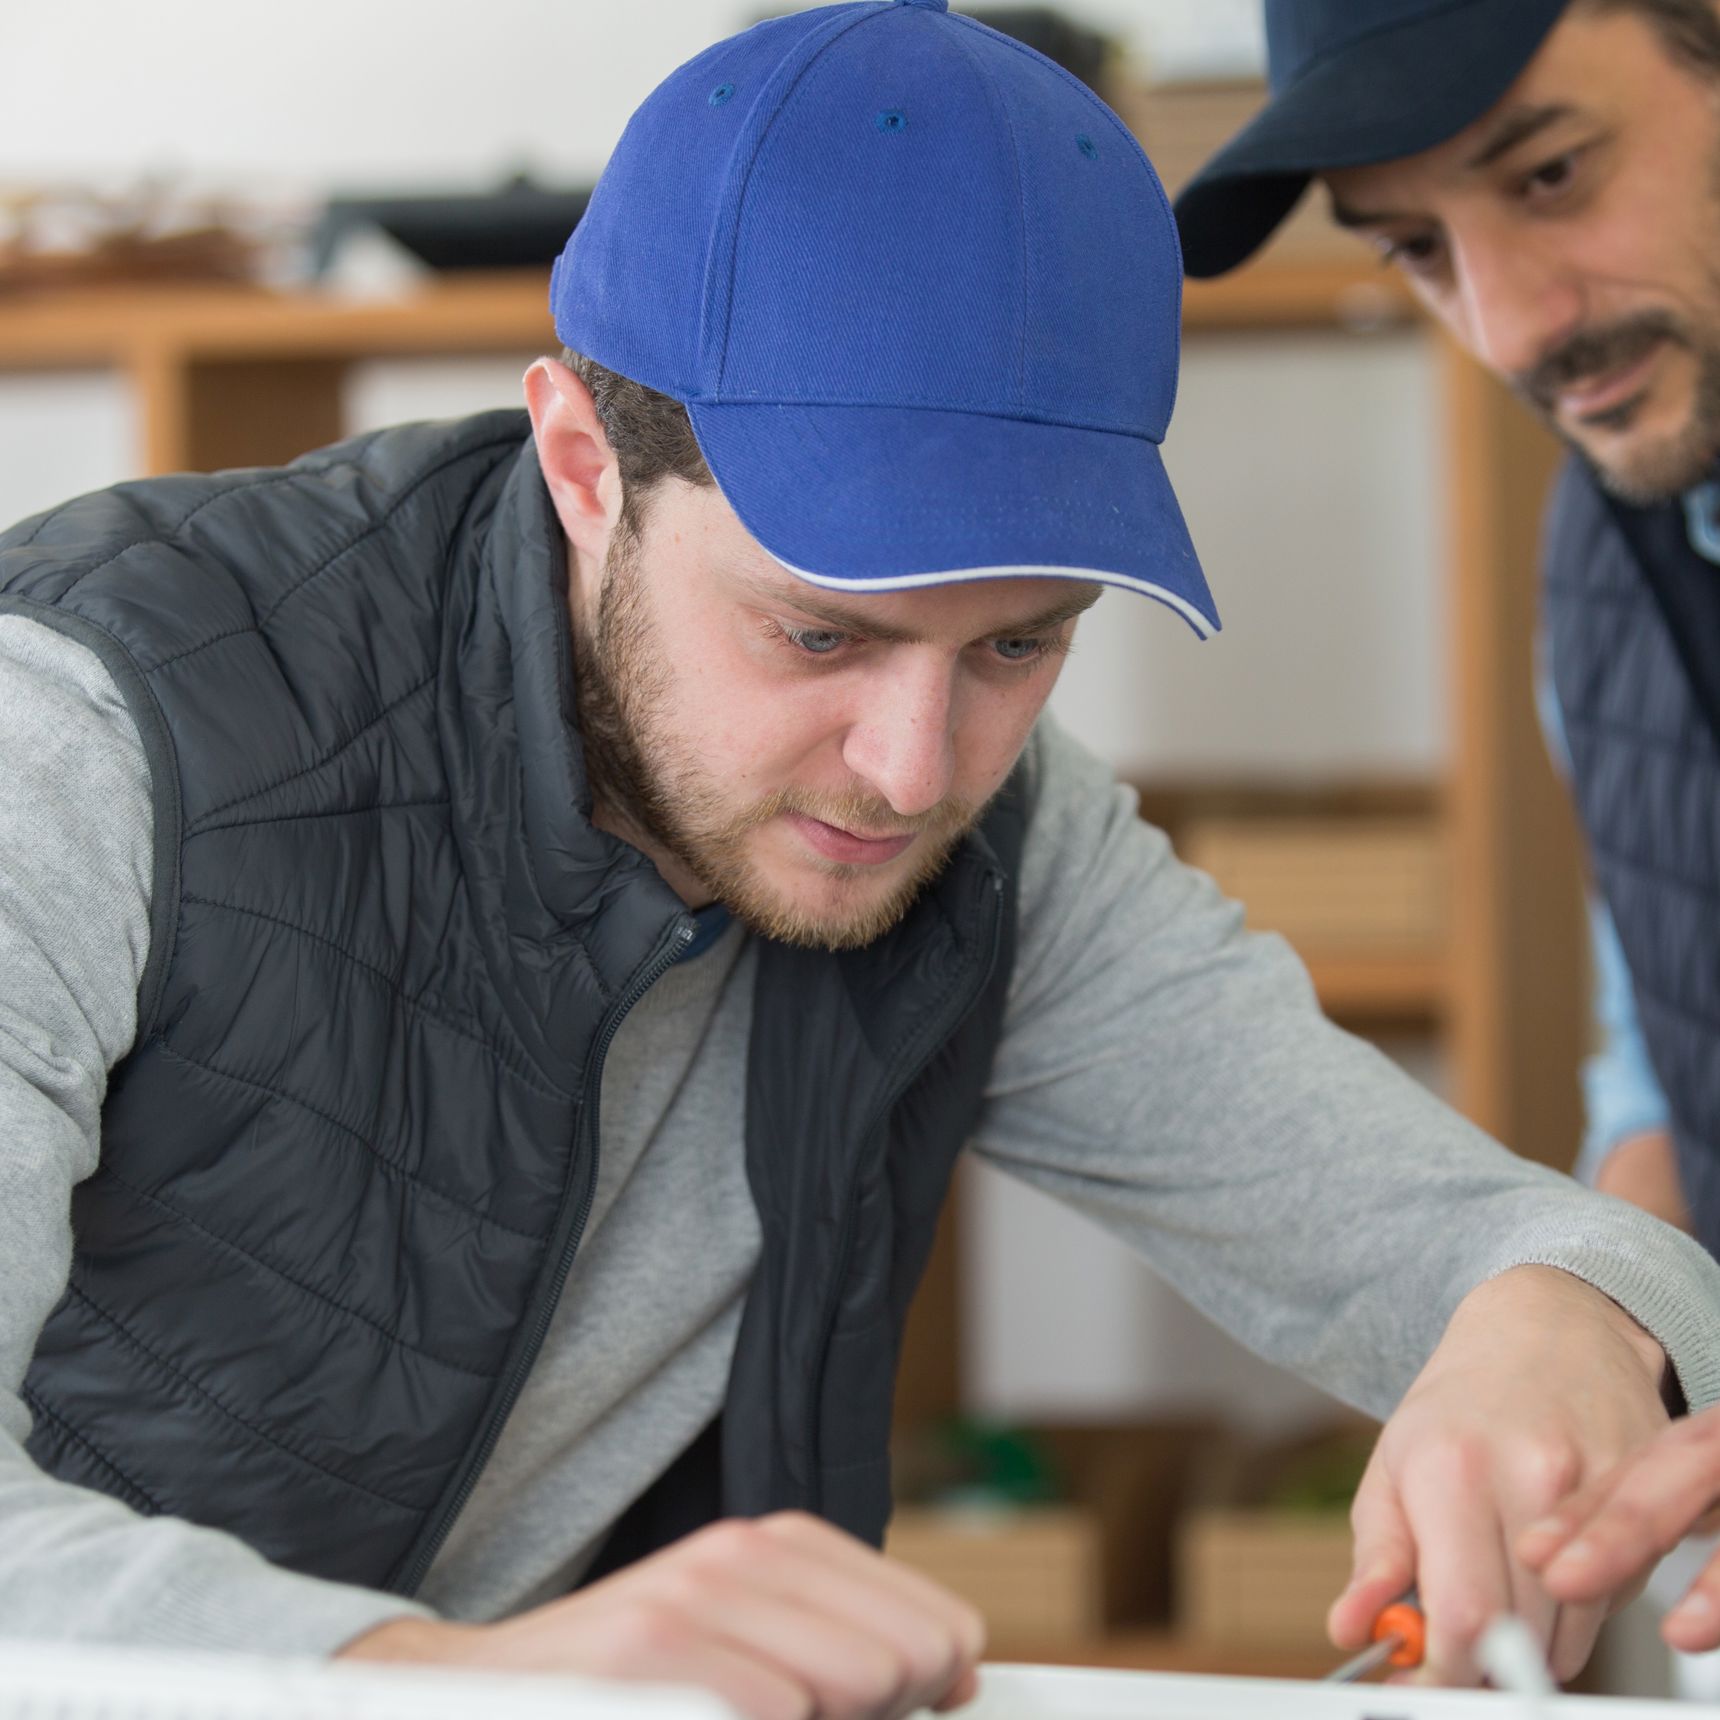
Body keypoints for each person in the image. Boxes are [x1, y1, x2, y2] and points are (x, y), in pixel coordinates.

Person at [1, 1, 1716, 1711]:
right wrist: (443, 1677)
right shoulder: (79, 734)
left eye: (1018, 648)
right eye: (821, 637)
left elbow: (1438, 1228)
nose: (914, 774)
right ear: (586, 463)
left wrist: (1558, 1310)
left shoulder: (1004, 841)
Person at [1174, 0, 1720, 1673]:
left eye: (1552, 174)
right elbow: (1670, 1064)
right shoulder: (1606, 553)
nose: (1508, 328)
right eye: (1418, 248)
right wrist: (1596, 1305)